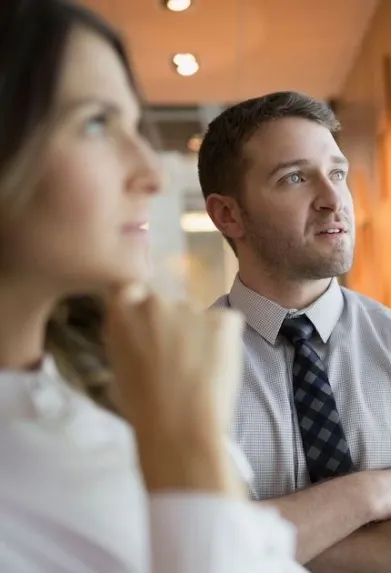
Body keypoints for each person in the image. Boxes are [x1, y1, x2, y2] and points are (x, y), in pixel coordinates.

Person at [0, 1, 307, 571]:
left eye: (132, 124)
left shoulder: (108, 387)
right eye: (95, 122)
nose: (151, 170)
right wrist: (189, 449)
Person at [199, 91, 391, 572]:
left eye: (337, 173)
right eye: (295, 178)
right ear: (228, 215)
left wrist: (253, 546)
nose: (332, 198)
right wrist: (371, 492)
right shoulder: (183, 370)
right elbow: (188, 558)